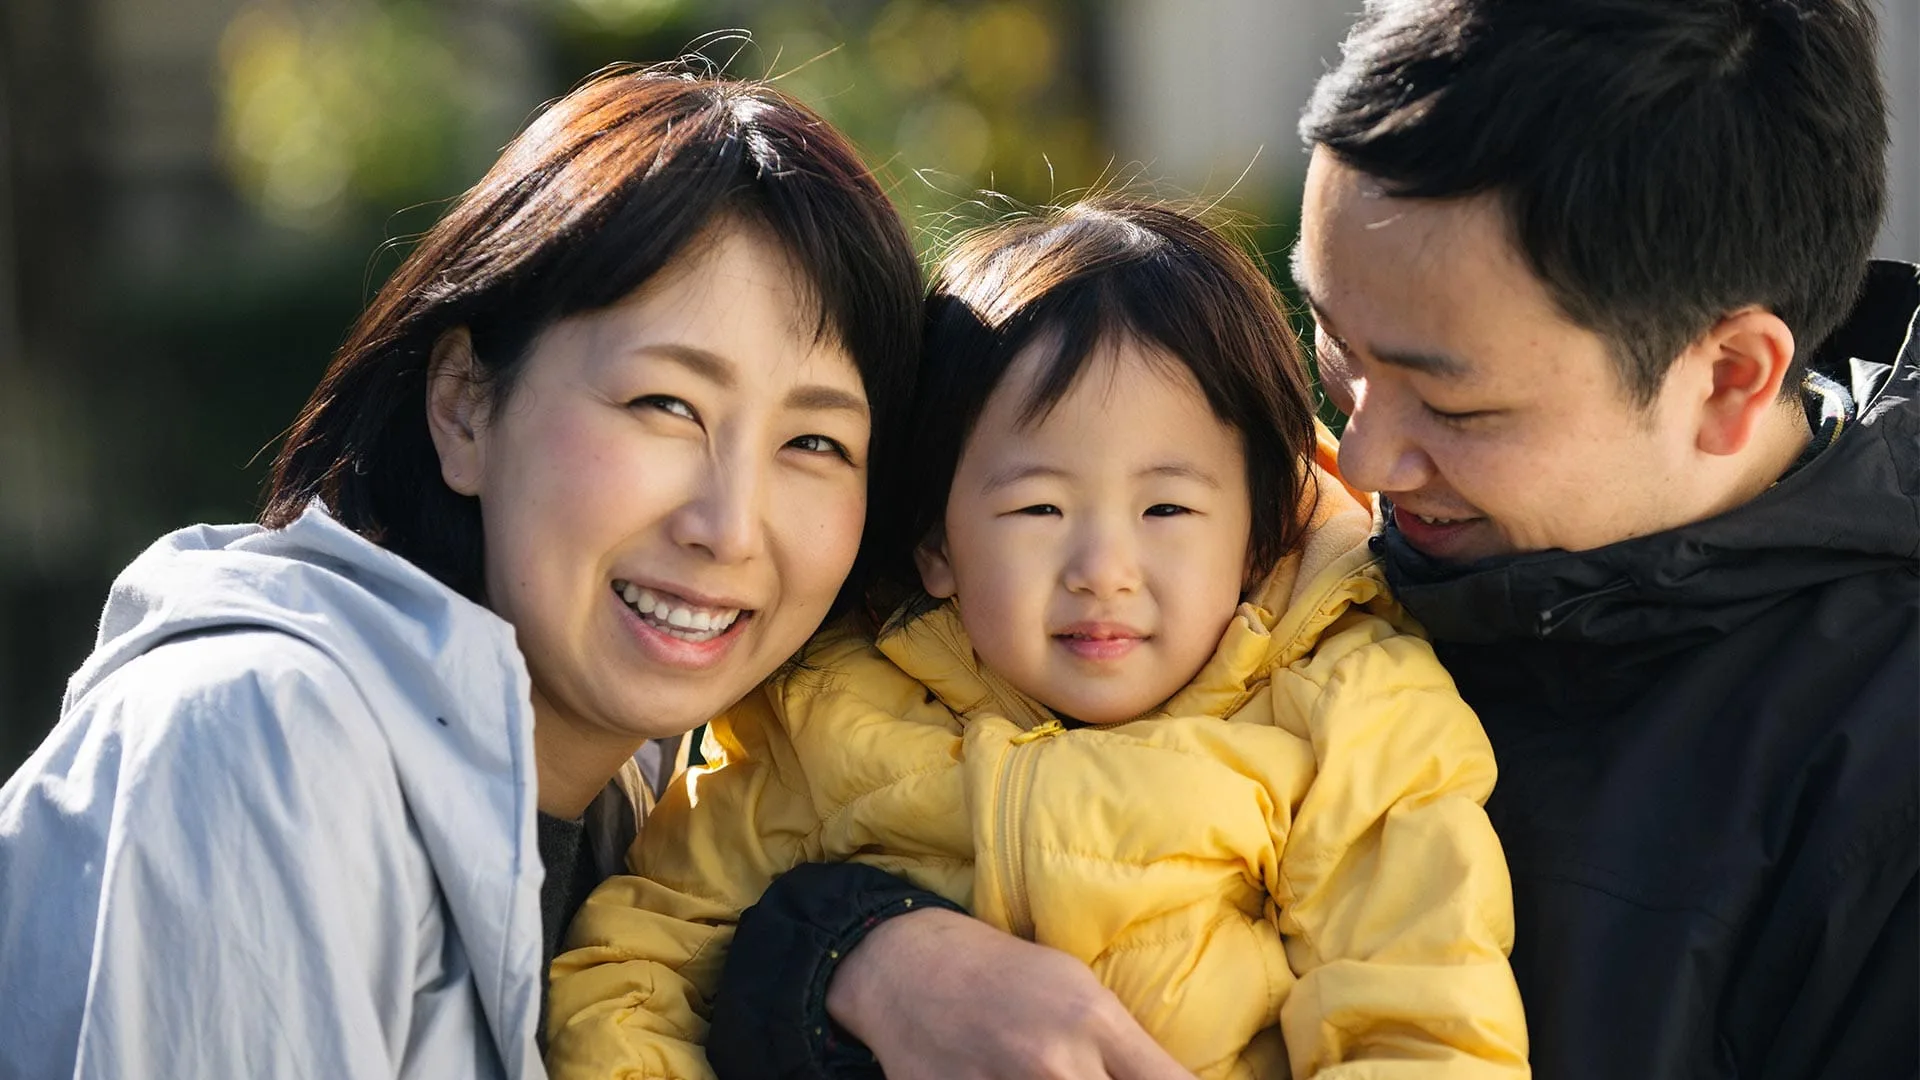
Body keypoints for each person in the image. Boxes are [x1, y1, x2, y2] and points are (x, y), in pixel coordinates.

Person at [708, 2, 1918, 1078]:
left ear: (1728, 379)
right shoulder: (1229, 537)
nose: (1362, 462)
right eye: (1335, 346)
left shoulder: (1876, 791)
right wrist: (855, 956)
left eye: (1457, 406)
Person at [0, 65, 922, 1079]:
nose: (730, 527)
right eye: (665, 404)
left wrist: (864, 952)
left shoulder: (666, 828)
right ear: (464, 406)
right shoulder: (257, 741)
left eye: (817, 444)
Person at [544, 198, 1528, 1080]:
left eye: (1169, 509)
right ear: (937, 543)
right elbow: (637, 971)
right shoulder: (825, 712)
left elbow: (1423, 1024)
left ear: (1258, 535)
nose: (1104, 566)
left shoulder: (1347, 713)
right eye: (1039, 507)